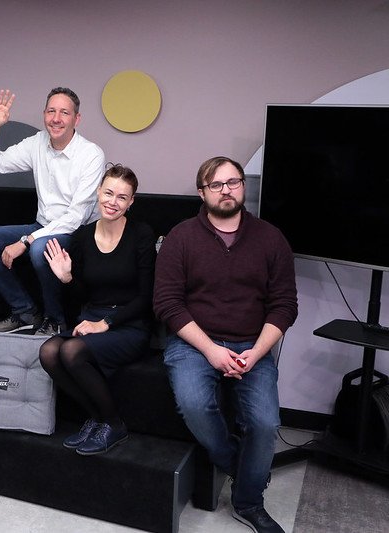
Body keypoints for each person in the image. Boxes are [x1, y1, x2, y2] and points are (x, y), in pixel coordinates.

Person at [153, 156, 298, 533]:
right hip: (194, 341)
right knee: (194, 404)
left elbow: (285, 305)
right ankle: (238, 465)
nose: (226, 190)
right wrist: (211, 350)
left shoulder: (270, 238)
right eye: (216, 185)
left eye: (233, 182)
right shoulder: (181, 237)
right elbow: (167, 304)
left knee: (265, 423)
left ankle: (248, 503)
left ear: (243, 187)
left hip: (253, 342)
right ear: (202, 193)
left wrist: (257, 352)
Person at [39, 164, 155, 455]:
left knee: (71, 351)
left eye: (122, 197)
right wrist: (67, 278)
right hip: (91, 317)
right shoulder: (82, 236)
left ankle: (114, 424)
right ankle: (97, 418)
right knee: (48, 352)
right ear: (98, 192)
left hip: (129, 324)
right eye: (108, 193)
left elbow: (146, 297)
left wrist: (105, 323)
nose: (113, 202)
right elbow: (82, 295)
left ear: (131, 202)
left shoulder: (141, 234)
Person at [0, 87, 105, 336]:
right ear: (44, 114)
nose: (56, 118)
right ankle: (24, 311)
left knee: (38, 248)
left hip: (77, 232)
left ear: (76, 119)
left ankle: (55, 320)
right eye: (51, 111)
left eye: (64, 113)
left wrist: (26, 240)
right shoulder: (37, 143)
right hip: (42, 226)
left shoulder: (91, 155)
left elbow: (76, 217)